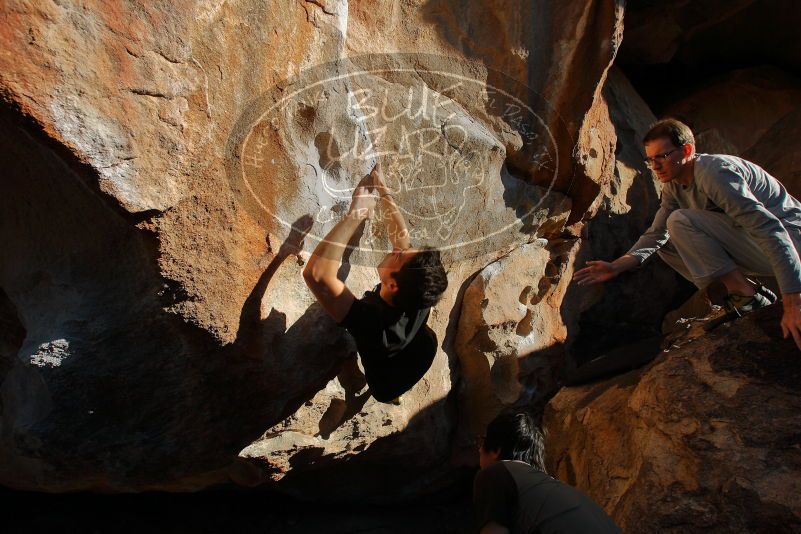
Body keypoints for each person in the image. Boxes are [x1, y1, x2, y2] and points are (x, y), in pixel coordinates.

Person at [573, 118, 801, 348]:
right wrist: (615, 267)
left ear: (688, 150)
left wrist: (793, 302)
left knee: (681, 221)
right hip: (758, 246)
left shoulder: (714, 174)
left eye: (663, 156)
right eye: (650, 159)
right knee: (667, 245)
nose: (656, 166)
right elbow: (656, 234)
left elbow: (770, 228)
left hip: (793, 242)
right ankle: (742, 294)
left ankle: (746, 297)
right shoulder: (674, 185)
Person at [302, 164, 448, 403]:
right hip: (423, 346)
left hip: (387, 383)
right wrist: (383, 190)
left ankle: (393, 396)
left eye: (401, 255)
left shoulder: (371, 322)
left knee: (384, 392)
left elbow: (318, 274)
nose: (400, 249)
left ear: (392, 285)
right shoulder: (421, 293)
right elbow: (401, 237)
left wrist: (356, 214)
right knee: (424, 337)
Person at [473, 411, 620, 533]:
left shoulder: (495, 474)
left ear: (496, 449)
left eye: (482, 442)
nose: (479, 449)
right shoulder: (550, 487)